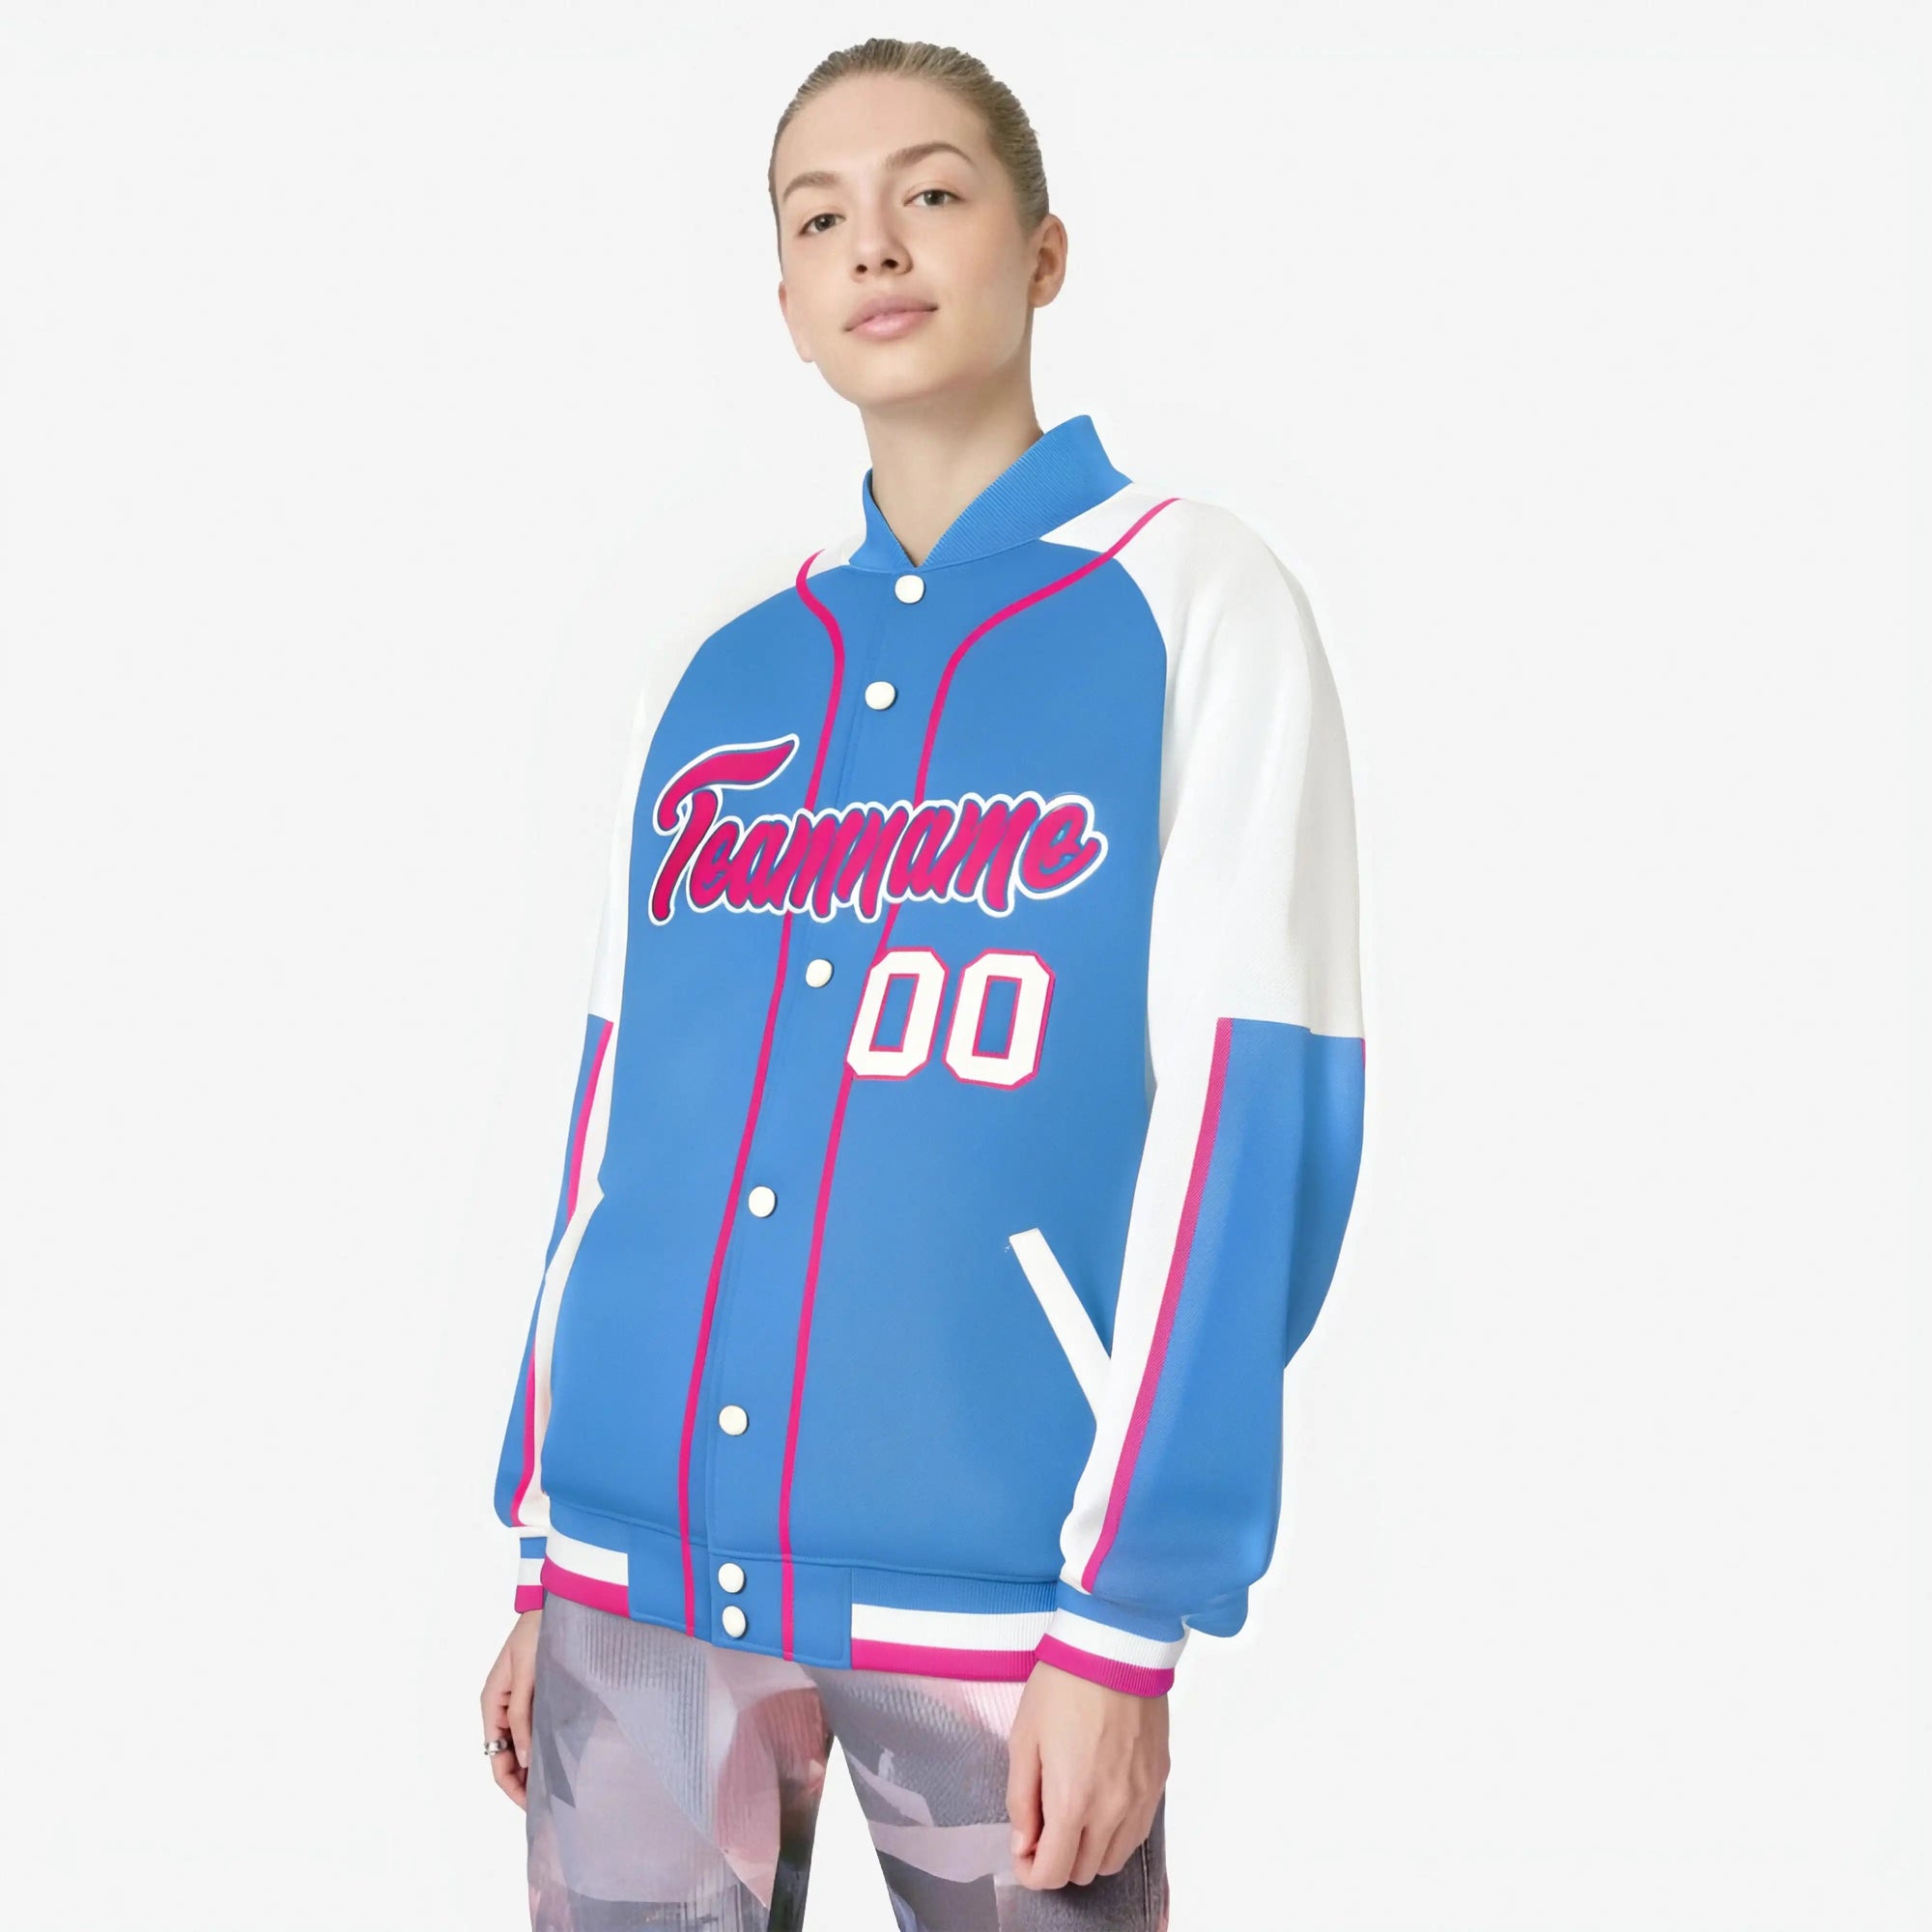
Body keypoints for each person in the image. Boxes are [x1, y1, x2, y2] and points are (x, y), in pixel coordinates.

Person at [477, 35, 1366, 1931]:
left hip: (1004, 1614)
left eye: (932, 194)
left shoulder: (1190, 602)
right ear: (785, 297)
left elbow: (1251, 1130)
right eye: (820, 217)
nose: (874, 245)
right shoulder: (721, 671)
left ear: (1043, 251)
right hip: (636, 1582)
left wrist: (1127, 1618)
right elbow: (619, 1124)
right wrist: (550, 1544)